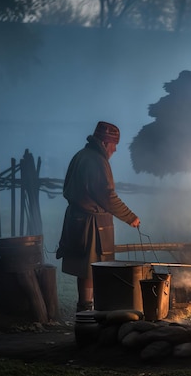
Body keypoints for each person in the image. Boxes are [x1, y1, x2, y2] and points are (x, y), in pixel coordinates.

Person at [56, 121, 140, 311]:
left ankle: (86, 310)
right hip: (91, 223)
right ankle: (86, 312)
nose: (115, 150)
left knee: (86, 269)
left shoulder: (81, 156)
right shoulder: (96, 161)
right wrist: (130, 217)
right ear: (104, 143)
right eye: (114, 145)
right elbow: (107, 196)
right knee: (91, 269)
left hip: (78, 220)